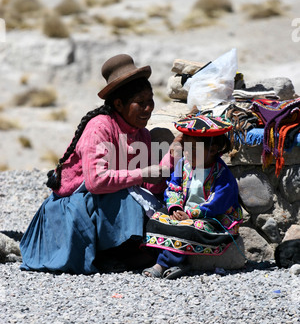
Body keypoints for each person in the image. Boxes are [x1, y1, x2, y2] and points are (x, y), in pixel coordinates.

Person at [20, 54, 178, 275]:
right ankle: (106, 253)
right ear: (119, 104)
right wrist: (142, 174)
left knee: (144, 199)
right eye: (140, 103)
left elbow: (147, 184)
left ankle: (121, 251)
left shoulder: (141, 133)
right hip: (73, 209)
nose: (148, 108)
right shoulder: (100, 127)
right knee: (126, 197)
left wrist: (170, 160)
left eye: (150, 101)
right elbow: (96, 182)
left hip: (103, 201)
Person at [142, 113, 243, 279]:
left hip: (212, 219)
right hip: (184, 213)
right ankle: (178, 262)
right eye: (186, 148)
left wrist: (189, 214)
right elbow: (174, 188)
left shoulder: (221, 174)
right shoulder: (183, 165)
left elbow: (216, 204)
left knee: (188, 229)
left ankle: (163, 263)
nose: (187, 153)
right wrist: (175, 207)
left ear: (213, 149)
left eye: (194, 149)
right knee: (155, 219)